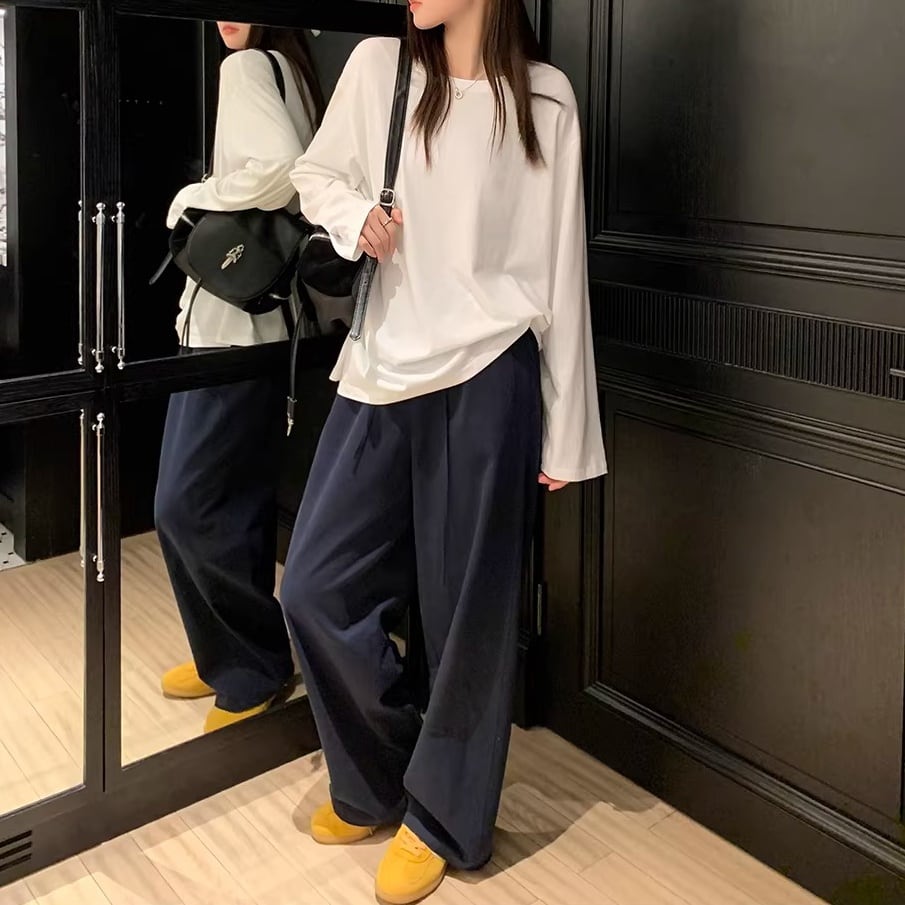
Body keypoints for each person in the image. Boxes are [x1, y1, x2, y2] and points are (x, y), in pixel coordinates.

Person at [281, 0, 607, 900]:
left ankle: (443, 816)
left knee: (469, 615)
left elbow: (560, 274)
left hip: (492, 374)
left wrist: (567, 427)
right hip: (382, 365)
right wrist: (354, 216)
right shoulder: (379, 68)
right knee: (312, 586)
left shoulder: (545, 100)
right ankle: (377, 775)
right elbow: (314, 173)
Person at [154, 22, 325, 734]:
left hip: (230, 330)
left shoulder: (249, 67)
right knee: (235, 504)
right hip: (267, 324)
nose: (226, 14)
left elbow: (283, 169)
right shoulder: (292, 69)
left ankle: (249, 663)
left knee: (183, 504)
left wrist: (195, 195)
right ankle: (232, 653)